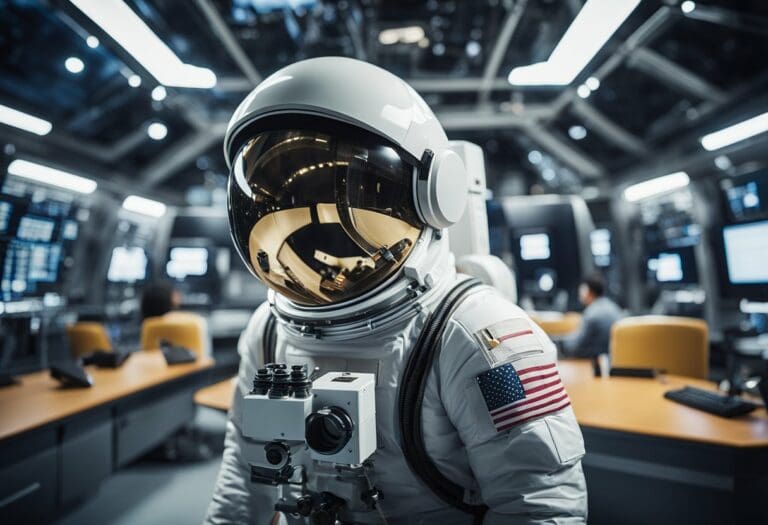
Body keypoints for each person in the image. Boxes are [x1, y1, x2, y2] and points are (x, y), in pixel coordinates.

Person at [205, 57, 587, 524]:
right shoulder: (267, 330)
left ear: (434, 194)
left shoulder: (482, 337)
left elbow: (541, 505)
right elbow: (244, 480)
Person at [561, 274, 624, 358]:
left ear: (587, 291)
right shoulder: (613, 307)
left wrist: (559, 341)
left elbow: (575, 346)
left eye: (582, 289)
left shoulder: (591, 314)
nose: (580, 292)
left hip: (593, 360)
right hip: (611, 357)